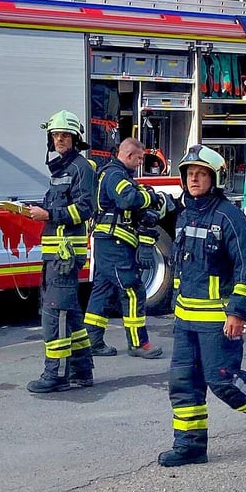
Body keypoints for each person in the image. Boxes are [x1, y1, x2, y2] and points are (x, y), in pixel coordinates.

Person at [157, 145, 246, 467]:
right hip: (186, 319)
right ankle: (190, 446)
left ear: (214, 178)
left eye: (201, 174)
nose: (194, 179)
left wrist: (237, 313)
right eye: (190, 174)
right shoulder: (185, 213)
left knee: (223, 380)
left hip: (217, 319)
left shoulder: (228, 217)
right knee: (183, 384)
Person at [26, 110, 96, 393]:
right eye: (55, 135)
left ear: (75, 138)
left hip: (66, 257)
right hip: (56, 254)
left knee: (55, 315)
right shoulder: (61, 169)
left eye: (64, 135)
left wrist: (48, 214)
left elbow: (85, 208)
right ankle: (82, 370)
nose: (59, 140)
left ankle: (56, 374)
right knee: (70, 314)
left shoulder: (81, 168)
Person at [84, 138, 166, 359]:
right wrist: (151, 196)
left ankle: (92, 341)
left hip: (108, 242)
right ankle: (139, 343)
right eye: (139, 158)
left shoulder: (114, 174)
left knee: (103, 290)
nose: (141, 162)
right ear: (129, 155)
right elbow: (127, 200)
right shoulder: (115, 175)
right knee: (132, 290)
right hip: (115, 243)